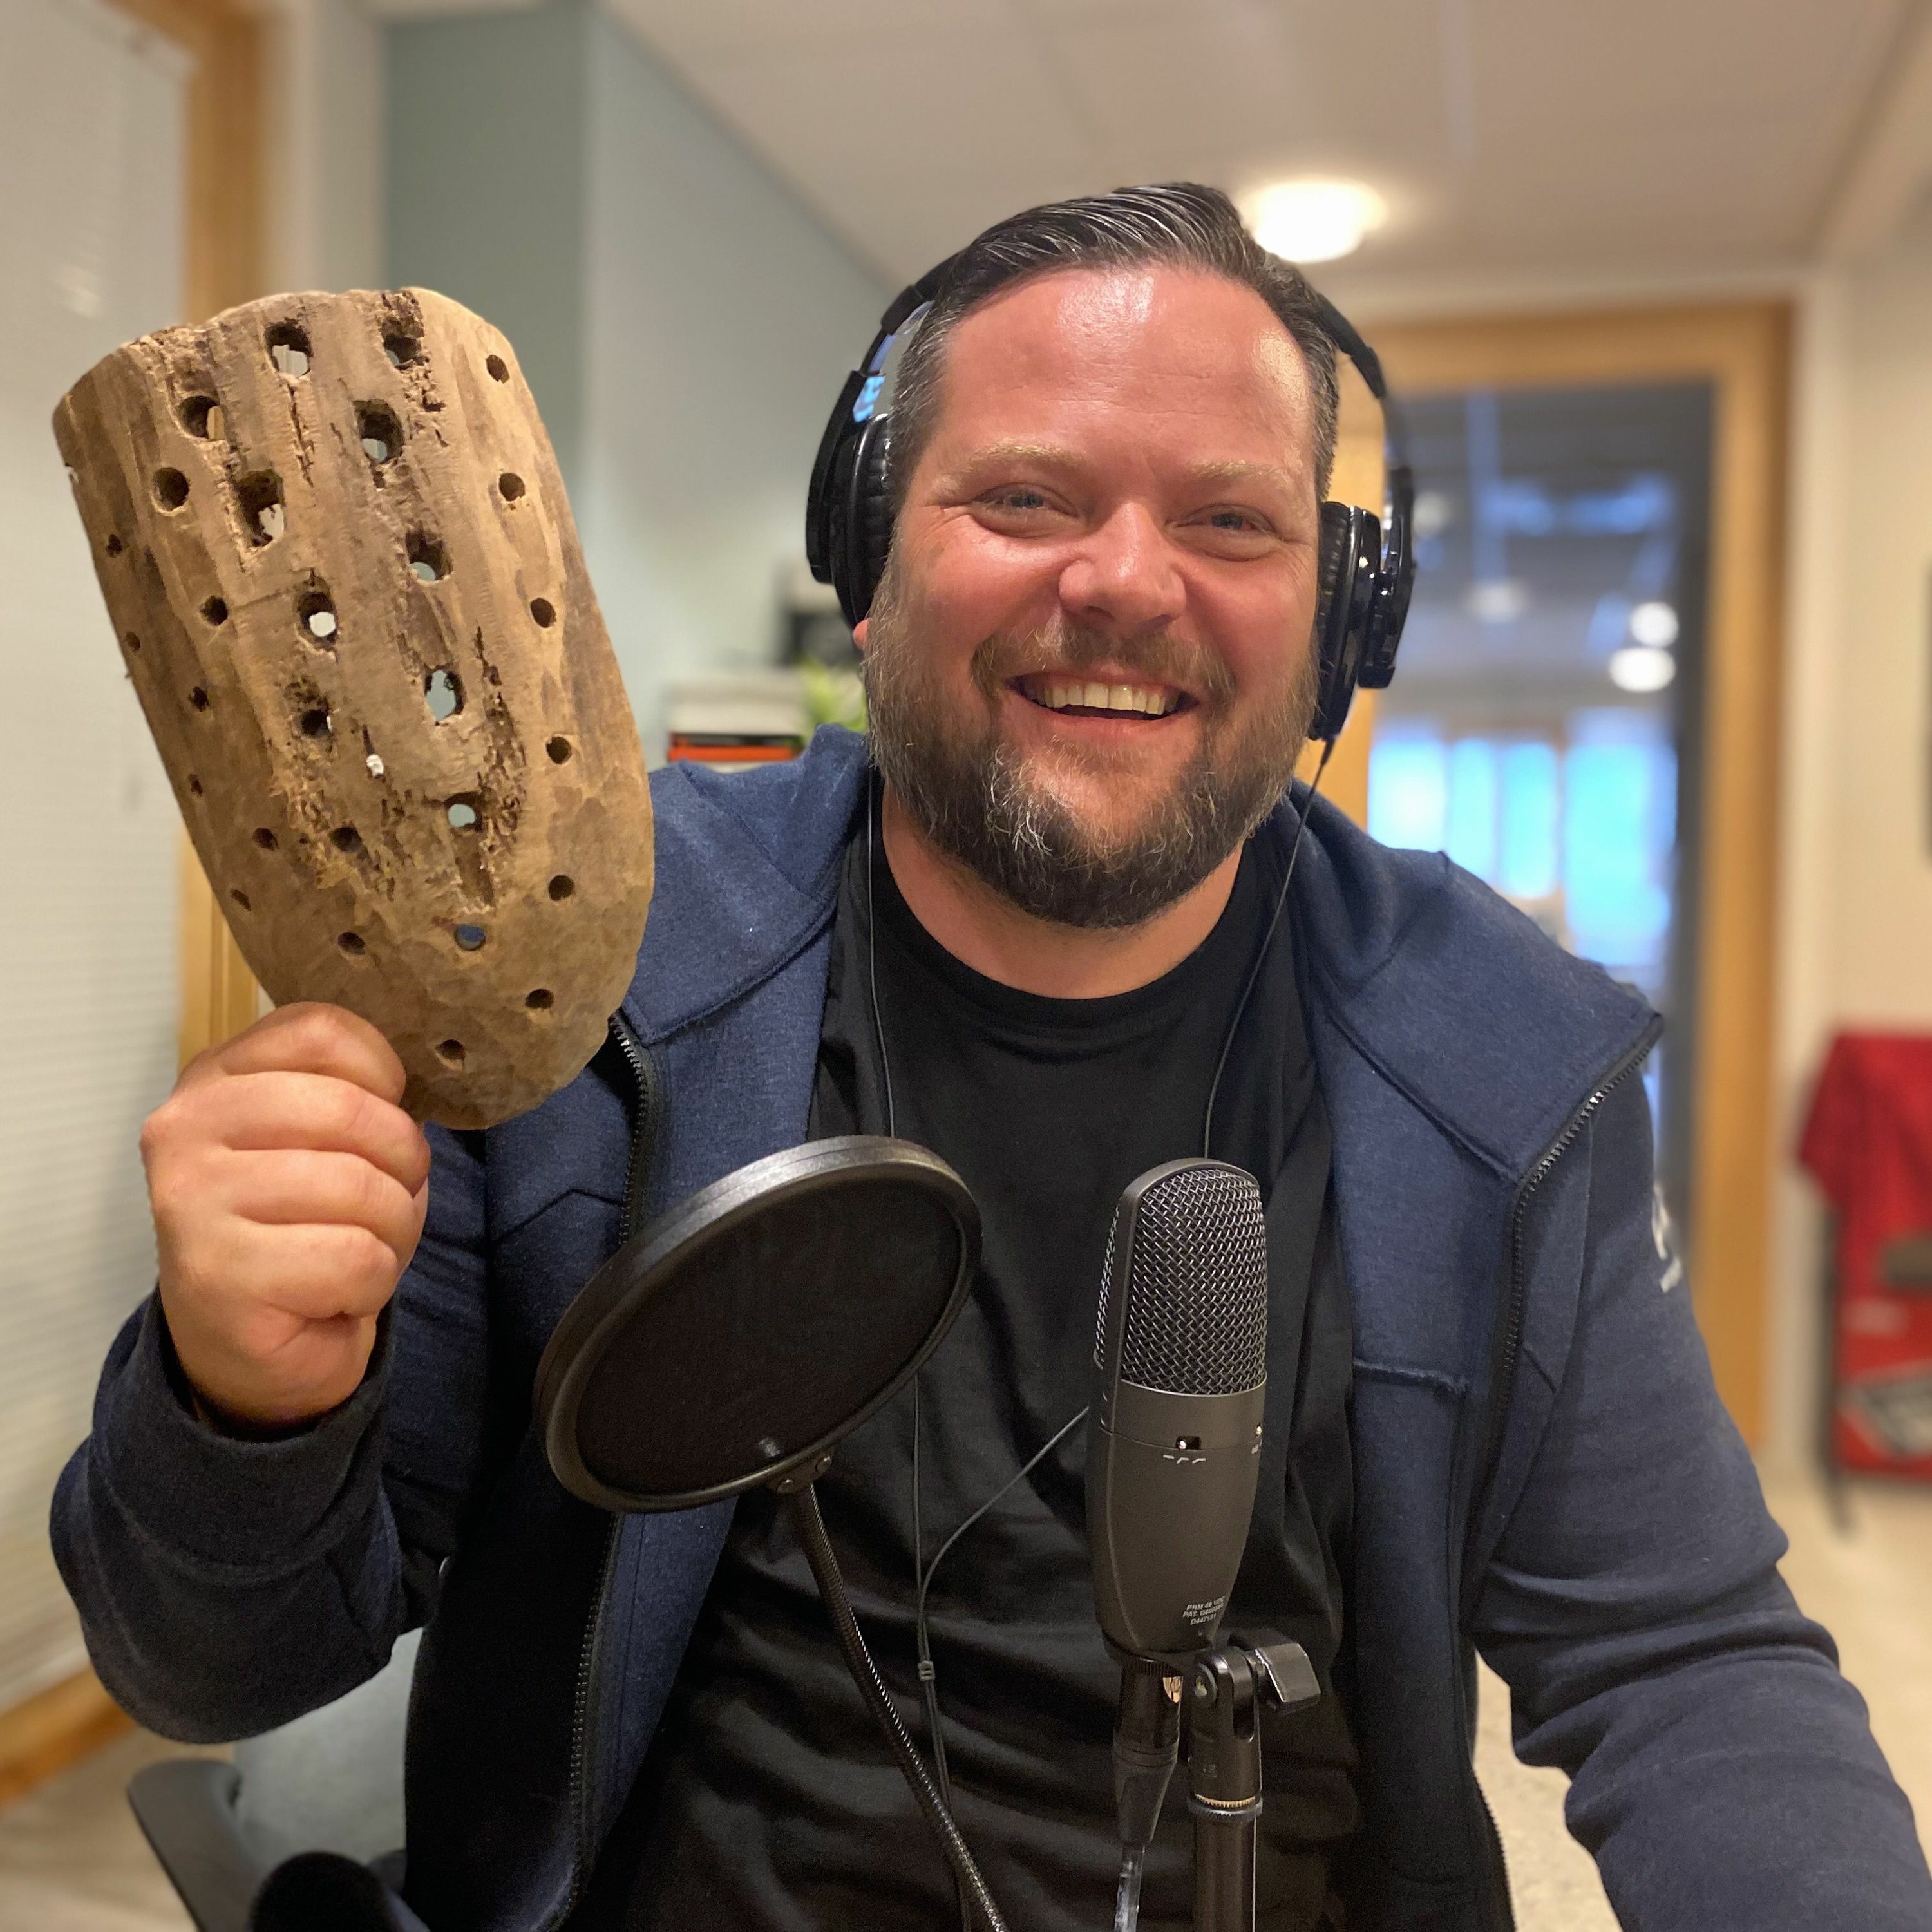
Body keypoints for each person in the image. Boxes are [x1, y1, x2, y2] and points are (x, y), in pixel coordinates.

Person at [53, 185, 1930, 1932]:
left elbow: (1685, 1665)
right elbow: (213, 1667)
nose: (1127, 583)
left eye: (1230, 521)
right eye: (1027, 497)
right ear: (867, 564)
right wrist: (241, 1403)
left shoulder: (1503, 1061)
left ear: (1341, 619)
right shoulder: (574, 970)